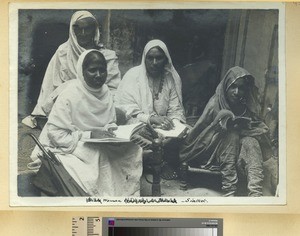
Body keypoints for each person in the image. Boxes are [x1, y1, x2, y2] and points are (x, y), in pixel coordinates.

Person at [31, 49, 142, 196]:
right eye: (92, 70)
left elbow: (108, 121)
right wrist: (88, 134)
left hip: (101, 141)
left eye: (102, 70)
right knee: (97, 159)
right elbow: (56, 135)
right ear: (82, 72)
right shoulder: (69, 95)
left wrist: (110, 130)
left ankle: (121, 192)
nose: (98, 75)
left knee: (133, 149)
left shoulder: (105, 92)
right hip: (74, 143)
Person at [179, 66, 269, 197]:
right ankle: (229, 190)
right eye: (233, 87)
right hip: (210, 152)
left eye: (241, 88)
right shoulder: (215, 103)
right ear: (226, 86)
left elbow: (259, 128)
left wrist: (244, 129)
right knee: (231, 136)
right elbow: (201, 132)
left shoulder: (245, 105)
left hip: (237, 153)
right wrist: (218, 128)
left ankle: (255, 193)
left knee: (251, 141)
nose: (237, 92)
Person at [23, 10, 121, 127]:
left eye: (88, 28)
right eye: (78, 28)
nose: (83, 33)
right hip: (71, 101)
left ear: (95, 30)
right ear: (72, 30)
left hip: (99, 100)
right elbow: (52, 85)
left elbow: (114, 89)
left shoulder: (107, 56)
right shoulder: (63, 52)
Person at [115, 39, 186, 180]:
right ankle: (154, 162)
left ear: (165, 59)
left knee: (185, 132)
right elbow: (125, 109)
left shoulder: (170, 78)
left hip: (163, 127)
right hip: (138, 124)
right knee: (138, 133)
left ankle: (157, 160)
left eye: (158, 58)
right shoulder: (133, 76)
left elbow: (175, 109)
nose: (154, 62)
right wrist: (151, 119)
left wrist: (172, 123)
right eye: (150, 58)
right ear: (144, 58)